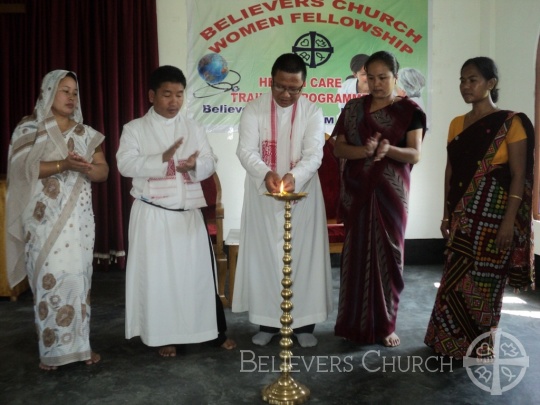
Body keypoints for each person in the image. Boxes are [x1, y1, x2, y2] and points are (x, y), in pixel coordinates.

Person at [116, 65, 235, 357]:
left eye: (179, 95)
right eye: (167, 94)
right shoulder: (135, 129)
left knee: (196, 278)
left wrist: (194, 165)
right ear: (151, 96)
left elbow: (210, 160)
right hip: (153, 216)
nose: (174, 102)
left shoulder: (193, 127)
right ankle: (162, 336)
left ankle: (207, 332)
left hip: (188, 217)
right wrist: (163, 159)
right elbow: (125, 165)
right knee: (160, 280)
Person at [424, 57, 534, 359]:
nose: (465, 86)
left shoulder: (512, 122)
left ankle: (476, 346)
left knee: (484, 283)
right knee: (453, 278)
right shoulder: (457, 124)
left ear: (491, 84)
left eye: (472, 79)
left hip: (494, 217)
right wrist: (447, 213)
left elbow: (518, 175)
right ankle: (444, 340)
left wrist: (509, 222)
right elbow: (451, 171)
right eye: (462, 80)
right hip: (463, 214)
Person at [6, 70, 109, 370]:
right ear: (48, 92)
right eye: (65, 90)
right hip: (42, 222)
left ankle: (81, 349)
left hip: (78, 222)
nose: (71, 97)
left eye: (75, 92)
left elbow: (103, 172)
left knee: (78, 281)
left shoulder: (85, 133)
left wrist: (86, 168)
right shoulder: (29, 129)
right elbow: (23, 169)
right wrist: (65, 163)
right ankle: (51, 353)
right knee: (49, 282)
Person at [233, 53, 333, 348]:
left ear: (304, 85)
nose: (287, 94)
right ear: (270, 81)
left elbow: (315, 154)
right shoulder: (253, 109)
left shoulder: (313, 112)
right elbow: (246, 151)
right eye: (280, 87)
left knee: (303, 258)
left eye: (295, 88)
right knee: (265, 258)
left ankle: (304, 325)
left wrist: (293, 177)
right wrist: (265, 173)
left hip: (303, 197)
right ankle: (268, 323)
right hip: (263, 196)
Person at [332, 50, 427, 347]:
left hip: (391, 193)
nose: (376, 83)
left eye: (383, 77)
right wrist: (365, 152)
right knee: (355, 256)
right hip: (357, 191)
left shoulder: (409, 111)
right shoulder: (352, 110)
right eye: (370, 77)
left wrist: (388, 151)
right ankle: (351, 324)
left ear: (396, 78)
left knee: (390, 255)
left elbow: (414, 153)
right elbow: (338, 149)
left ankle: (386, 325)